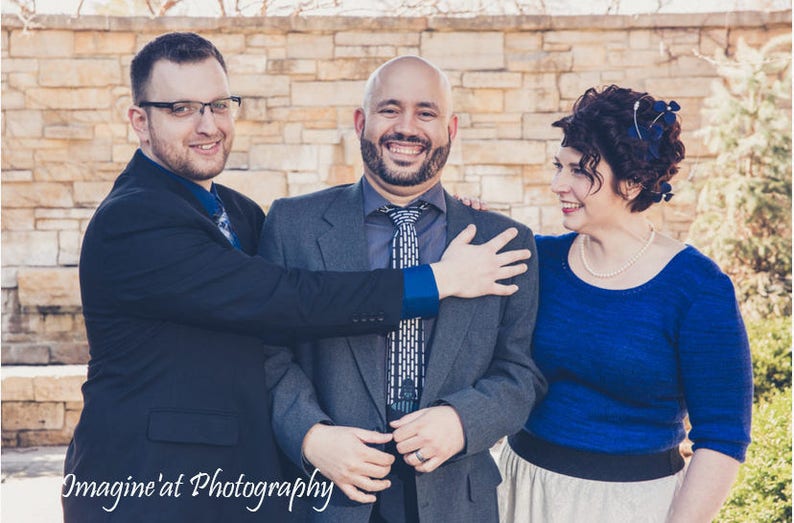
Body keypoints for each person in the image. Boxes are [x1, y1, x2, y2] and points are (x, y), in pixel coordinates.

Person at [62, 33, 532, 523]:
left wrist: (447, 215)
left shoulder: (239, 213)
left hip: (250, 488)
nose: (208, 124)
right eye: (182, 108)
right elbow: (287, 299)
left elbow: (518, 371)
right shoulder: (132, 221)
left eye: (219, 105)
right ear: (140, 120)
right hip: (146, 486)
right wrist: (438, 279)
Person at [260, 55, 547, 522]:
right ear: (361, 122)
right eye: (390, 109)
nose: (407, 127)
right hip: (326, 496)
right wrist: (311, 436)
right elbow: (267, 354)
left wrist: (462, 421)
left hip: (456, 499)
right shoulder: (294, 225)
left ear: (450, 129)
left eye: (426, 113)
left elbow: (521, 372)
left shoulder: (506, 241)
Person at [495, 85, 753, 523]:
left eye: (579, 171)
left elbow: (723, 437)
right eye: (559, 166)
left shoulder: (697, 288)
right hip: (522, 490)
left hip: (632, 506)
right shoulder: (540, 260)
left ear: (632, 182)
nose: (559, 184)